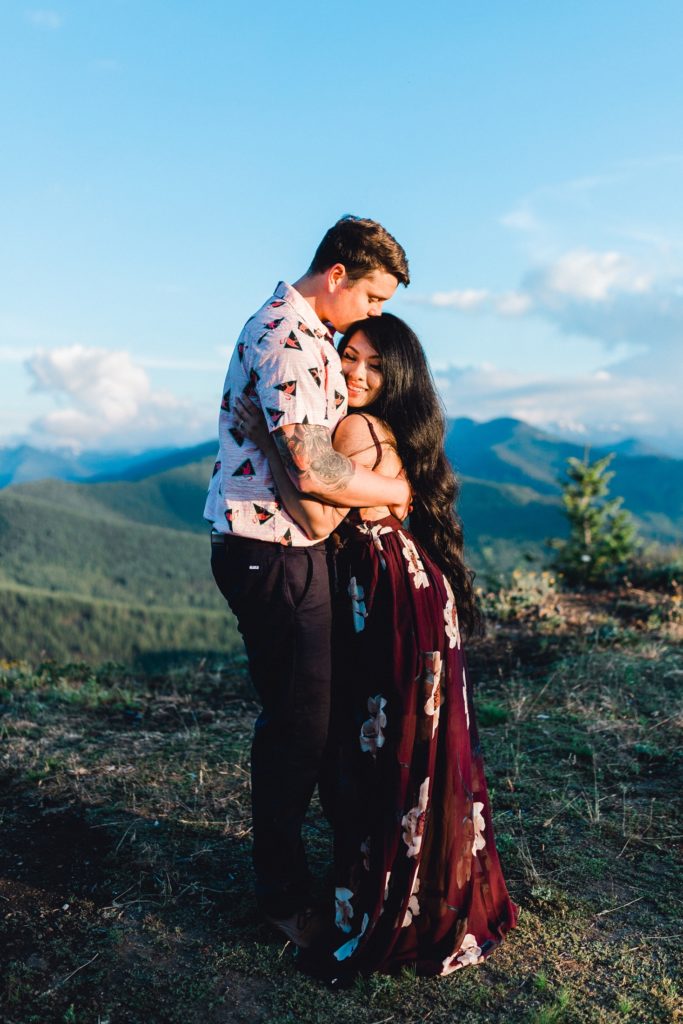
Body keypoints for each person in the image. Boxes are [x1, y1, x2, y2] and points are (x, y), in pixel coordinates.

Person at [235, 312, 518, 980]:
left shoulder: (354, 427)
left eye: (372, 364)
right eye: (348, 357)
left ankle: (391, 899)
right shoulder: (384, 429)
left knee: (386, 745)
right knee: (415, 745)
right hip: (409, 590)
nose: (357, 373)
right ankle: (423, 893)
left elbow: (314, 510)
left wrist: (267, 439)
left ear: (395, 375)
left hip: (388, 597)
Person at [205, 216, 411, 947]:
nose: (376, 313)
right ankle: (281, 897)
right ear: (337, 277)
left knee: (313, 720)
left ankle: (321, 873)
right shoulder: (287, 339)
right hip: (273, 550)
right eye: (374, 298)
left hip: (287, 547)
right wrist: (394, 493)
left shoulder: (307, 335)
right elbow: (311, 468)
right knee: (297, 727)